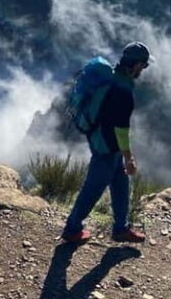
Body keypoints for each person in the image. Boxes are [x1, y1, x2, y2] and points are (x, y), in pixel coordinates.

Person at [61, 41, 153, 244]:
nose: (144, 69)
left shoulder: (112, 77)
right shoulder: (123, 90)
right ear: (137, 64)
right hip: (107, 147)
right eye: (144, 65)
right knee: (93, 189)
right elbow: (121, 128)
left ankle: (121, 228)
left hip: (103, 140)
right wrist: (129, 157)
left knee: (121, 184)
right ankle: (72, 229)